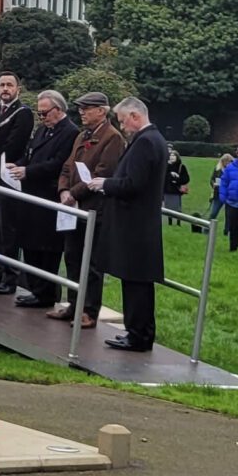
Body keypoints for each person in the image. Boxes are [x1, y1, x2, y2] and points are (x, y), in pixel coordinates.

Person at [100, 98, 169, 351]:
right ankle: (136, 331)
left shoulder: (146, 142)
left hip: (136, 225)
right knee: (134, 281)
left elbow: (134, 184)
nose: (122, 127)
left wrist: (105, 184)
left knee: (136, 282)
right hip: (141, 223)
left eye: (122, 121)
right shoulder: (153, 139)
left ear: (135, 116)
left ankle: (138, 334)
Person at [56, 92, 128, 328]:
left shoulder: (112, 137)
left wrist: (73, 194)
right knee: (72, 257)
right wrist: (63, 190)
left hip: (95, 209)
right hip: (74, 208)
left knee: (92, 263)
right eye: (81, 109)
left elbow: (103, 172)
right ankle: (73, 304)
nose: (82, 113)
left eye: (87, 109)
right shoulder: (82, 135)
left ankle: (89, 310)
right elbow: (68, 166)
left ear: (101, 111)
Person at [14, 89, 77, 310]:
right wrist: (18, 165)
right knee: (31, 245)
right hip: (32, 195)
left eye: (45, 113)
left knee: (47, 248)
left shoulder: (70, 132)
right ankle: (35, 289)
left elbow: (58, 163)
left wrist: (28, 171)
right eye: (39, 113)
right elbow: (30, 153)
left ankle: (45, 293)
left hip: (48, 196)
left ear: (58, 110)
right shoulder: (43, 129)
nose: (41, 117)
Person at [0, 70, 33, 294]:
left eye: (9, 85)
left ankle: (10, 277)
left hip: (7, 176)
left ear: (17, 89)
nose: (5, 89)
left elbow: (13, 145)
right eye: (2, 85)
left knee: (7, 228)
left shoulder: (23, 113)